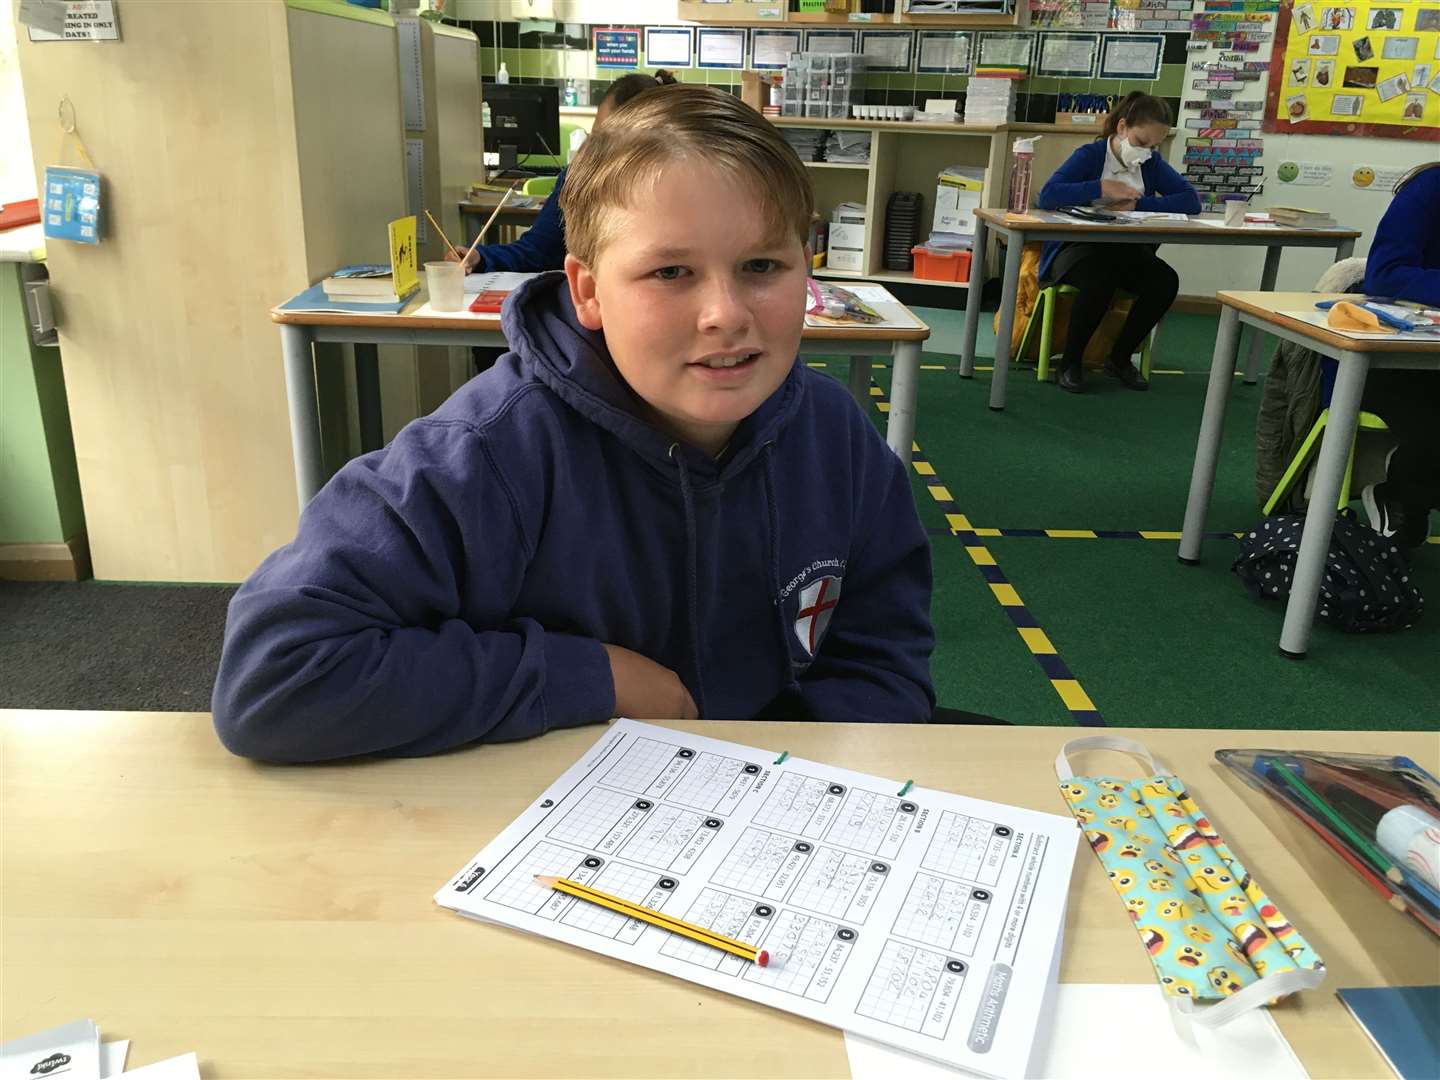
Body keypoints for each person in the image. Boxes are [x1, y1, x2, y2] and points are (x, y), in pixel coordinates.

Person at [211, 86, 936, 763]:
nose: (726, 314)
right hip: (559, 814)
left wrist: (810, 772)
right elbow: (274, 673)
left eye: (761, 265)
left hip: (768, 818)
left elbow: (882, 658)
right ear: (588, 291)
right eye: (670, 273)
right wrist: (590, 675)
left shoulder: (836, 434)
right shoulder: (491, 452)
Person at [1035, 92, 1201, 394]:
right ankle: (1070, 361)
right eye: (1141, 142)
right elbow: (1048, 195)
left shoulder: (1151, 163)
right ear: (1122, 127)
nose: (1147, 151)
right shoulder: (1091, 155)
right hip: (1076, 252)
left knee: (1164, 281)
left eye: (1154, 145)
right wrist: (1100, 187)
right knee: (1101, 277)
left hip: (1126, 251)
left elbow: (1190, 200)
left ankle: (1119, 357)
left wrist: (1139, 206)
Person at [449, 70, 679, 276]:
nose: (593, 149)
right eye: (595, 135)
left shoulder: (679, 189)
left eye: (607, 140)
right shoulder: (577, 178)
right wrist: (480, 257)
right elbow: (538, 250)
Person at [1358, 161, 1440, 547]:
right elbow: (1385, 274)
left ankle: (1414, 486)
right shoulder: (1429, 187)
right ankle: (1403, 491)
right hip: (1398, 361)